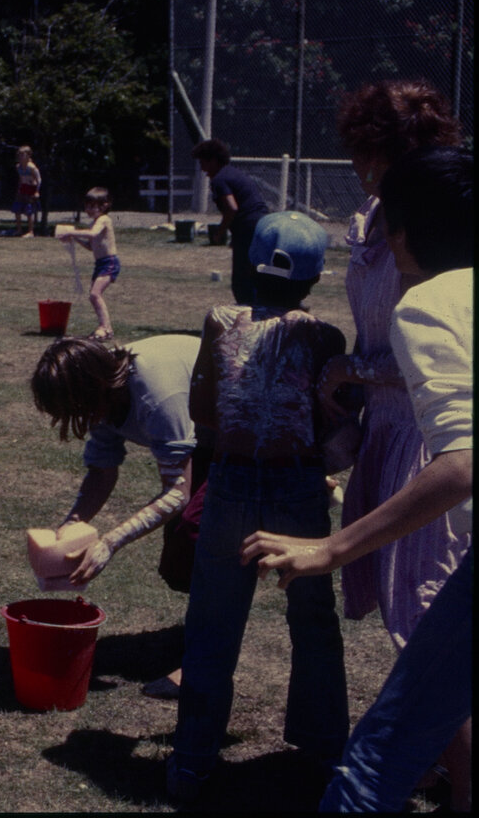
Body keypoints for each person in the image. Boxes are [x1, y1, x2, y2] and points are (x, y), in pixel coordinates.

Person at [242, 146, 471, 813]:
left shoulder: (428, 304)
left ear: (398, 234)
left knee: (369, 772)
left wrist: (331, 549)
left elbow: (462, 462)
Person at [166, 210, 349, 806]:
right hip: (297, 488)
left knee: (211, 626)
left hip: (231, 486)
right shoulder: (324, 338)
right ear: (315, 279)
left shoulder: (219, 322)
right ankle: (323, 749)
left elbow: (204, 411)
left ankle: (190, 762)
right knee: (313, 617)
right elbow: (329, 422)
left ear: (250, 266)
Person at [321, 82, 464, 652]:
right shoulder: (373, 218)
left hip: (424, 433)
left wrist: (353, 370)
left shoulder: (431, 231)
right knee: (399, 605)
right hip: (384, 428)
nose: (362, 167)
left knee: (424, 610)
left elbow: (433, 358)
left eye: (373, 153)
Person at [30, 334, 200, 697]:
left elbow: (178, 492)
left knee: (198, 539)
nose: (77, 419)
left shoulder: (156, 395)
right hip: (203, 436)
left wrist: (110, 542)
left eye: (75, 409)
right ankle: (205, 635)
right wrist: (71, 524)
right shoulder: (102, 392)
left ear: (91, 390)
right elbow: (102, 471)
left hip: (236, 431)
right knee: (180, 563)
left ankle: (204, 664)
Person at [192, 138, 270, 305]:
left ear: (213, 160)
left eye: (203, 161)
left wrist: (220, 231)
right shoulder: (233, 173)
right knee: (256, 274)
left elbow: (232, 208)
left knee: (242, 281)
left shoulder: (219, 179)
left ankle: (249, 314)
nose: (201, 167)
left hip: (248, 228)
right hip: (262, 224)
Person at [55, 186, 119, 340]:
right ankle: (106, 327)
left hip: (109, 263)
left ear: (104, 205)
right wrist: (75, 238)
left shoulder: (104, 219)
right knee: (94, 296)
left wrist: (71, 232)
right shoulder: (95, 222)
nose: (88, 210)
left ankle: (105, 328)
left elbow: (92, 234)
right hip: (100, 263)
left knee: (95, 294)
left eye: (92, 206)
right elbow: (91, 246)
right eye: (86, 206)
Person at [14, 145, 42, 238]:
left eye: (23, 155)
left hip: (31, 188)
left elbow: (39, 179)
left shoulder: (32, 167)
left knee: (29, 210)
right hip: (23, 188)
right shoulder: (18, 167)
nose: (20, 157)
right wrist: (19, 188)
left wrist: (37, 191)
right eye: (19, 154)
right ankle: (19, 230)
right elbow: (20, 179)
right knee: (17, 209)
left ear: (28, 156)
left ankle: (31, 231)